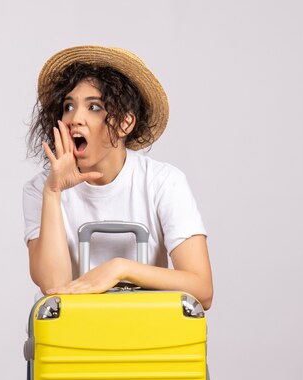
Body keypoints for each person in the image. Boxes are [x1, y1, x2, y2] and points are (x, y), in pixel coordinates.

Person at [23, 46, 213, 310]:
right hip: (73, 338)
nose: (75, 118)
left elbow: (202, 290)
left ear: (125, 122)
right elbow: (55, 287)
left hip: (145, 334)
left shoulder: (163, 182)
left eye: (94, 107)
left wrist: (120, 269)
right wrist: (53, 193)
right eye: (68, 106)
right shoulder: (39, 189)